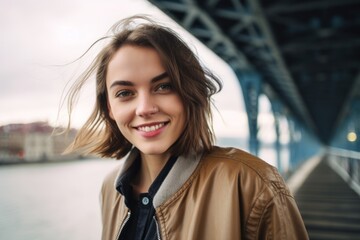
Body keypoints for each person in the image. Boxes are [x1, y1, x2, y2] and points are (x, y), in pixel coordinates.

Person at [64, 15, 308, 240]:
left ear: (190, 92)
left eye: (163, 87)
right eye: (125, 93)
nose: (144, 108)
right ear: (110, 107)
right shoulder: (110, 190)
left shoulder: (251, 184)